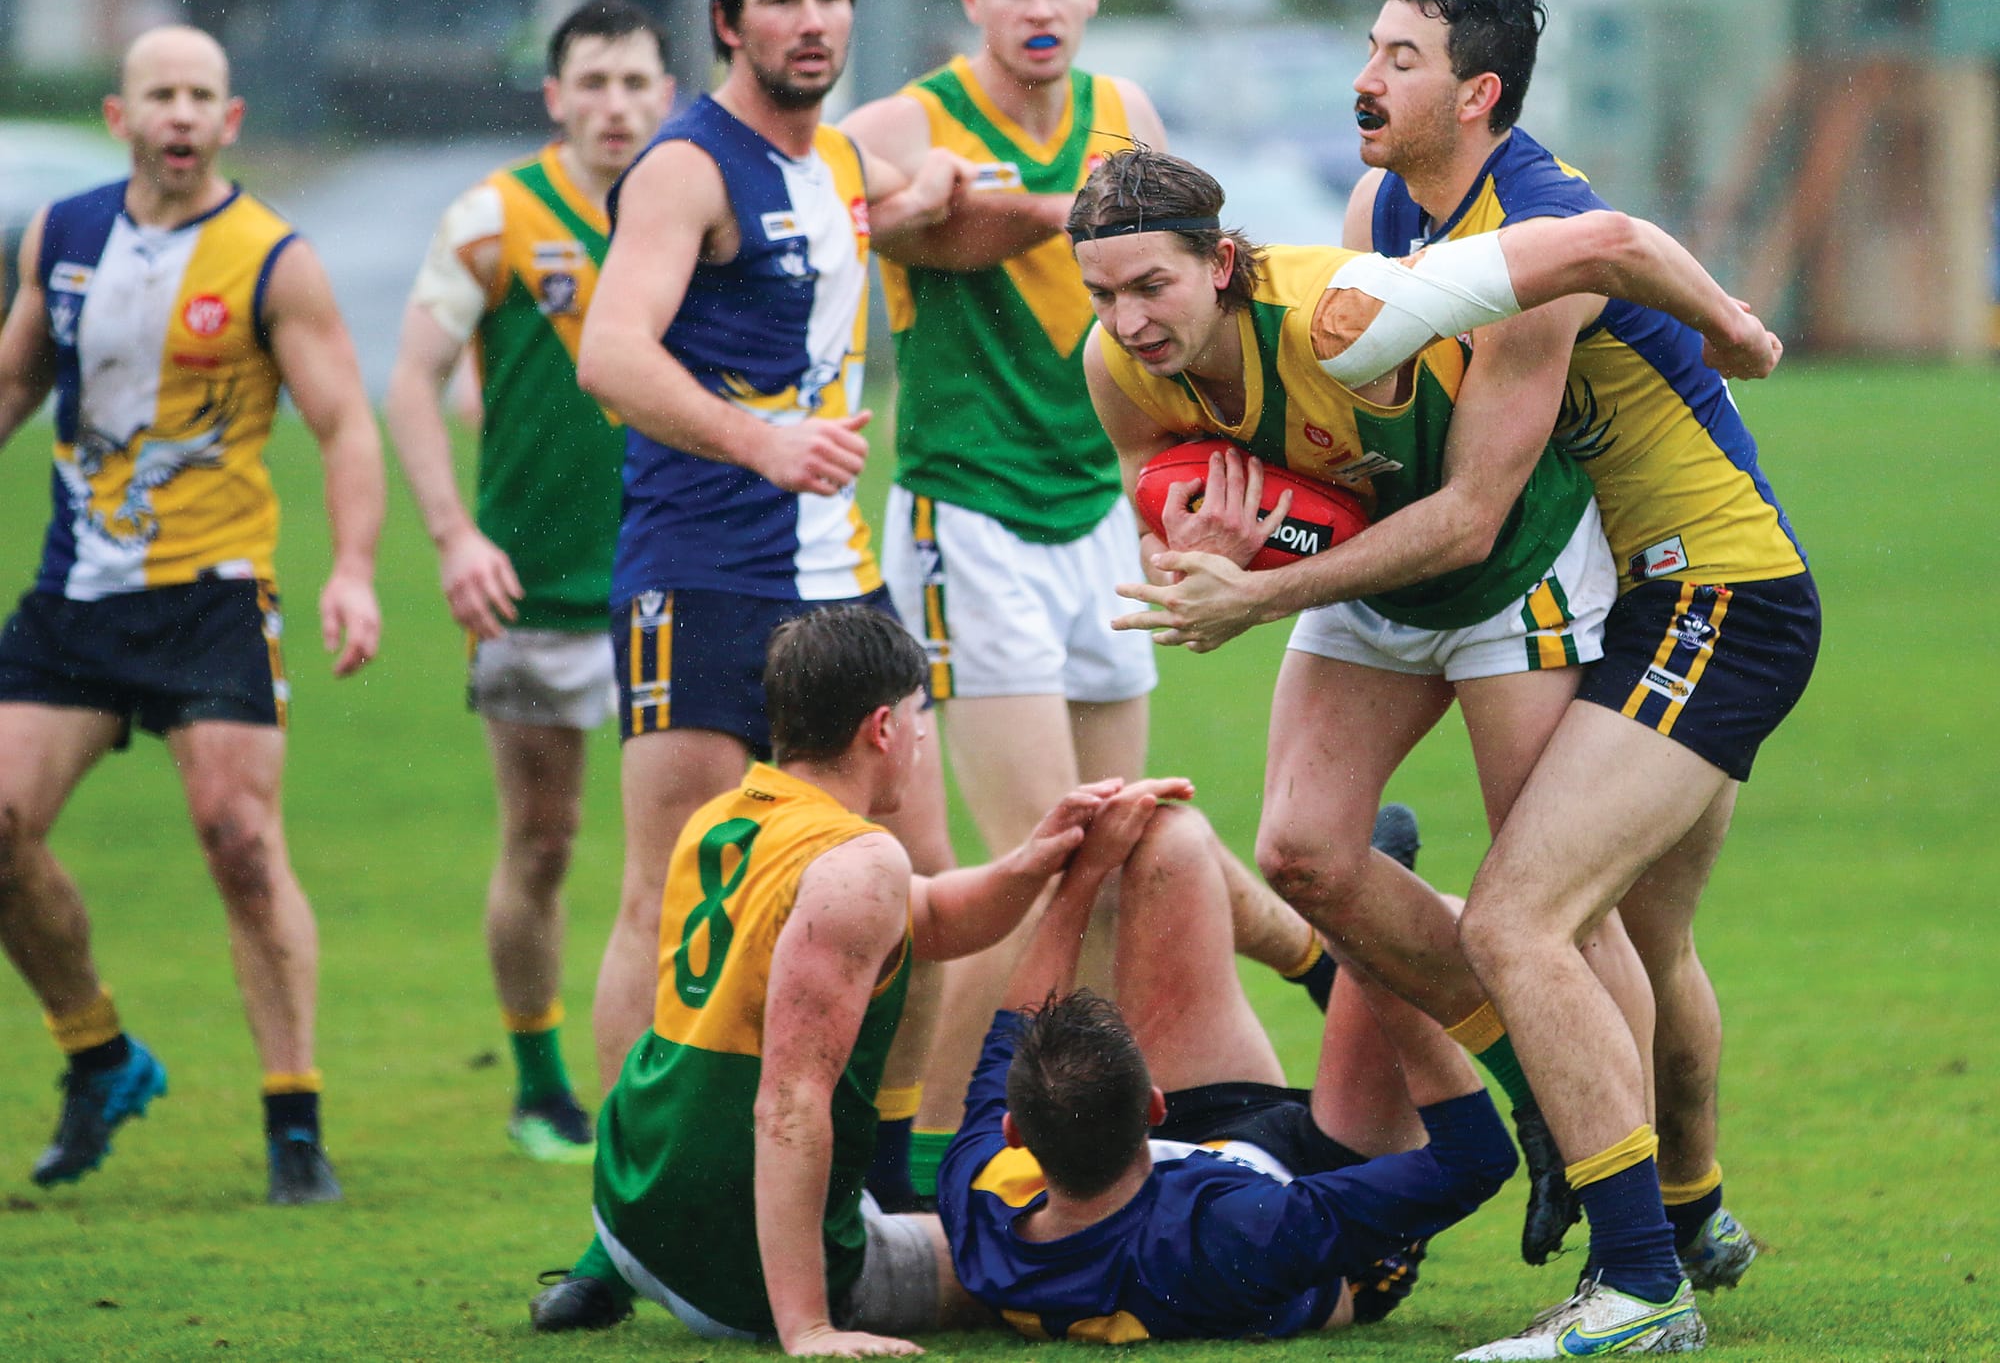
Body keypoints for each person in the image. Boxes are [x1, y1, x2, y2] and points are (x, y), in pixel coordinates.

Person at [1077, 148, 1777, 1295]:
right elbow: (1153, 483)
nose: (1129, 318)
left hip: (1509, 571)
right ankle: (1540, 1100)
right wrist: (1188, 547)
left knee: (1562, 909)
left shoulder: (1344, 315)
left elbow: (1602, 247)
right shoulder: (1116, 364)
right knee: (1301, 851)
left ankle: (1639, 1220)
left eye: (1150, 284)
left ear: (1220, 260)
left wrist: (1731, 328)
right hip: (1365, 584)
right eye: (1102, 293)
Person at [1337, 0, 1817, 1358]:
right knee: (1640, 935)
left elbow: (1476, 501)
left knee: (1516, 922)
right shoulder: (1389, 201)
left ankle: (1642, 1288)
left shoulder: (1540, 232)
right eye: (1370, 46)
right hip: (1657, 604)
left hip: (1719, 600)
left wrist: (1260, 588)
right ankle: (1697, 1206)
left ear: (1478, 92)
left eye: (1402, 58)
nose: (1366, 77)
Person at [841, 0, 1333, 1185]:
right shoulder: (907, 120)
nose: (1039, 9)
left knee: (1112, 853)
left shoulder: (1128, 120)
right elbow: (826, 200)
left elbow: (1195, 281)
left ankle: (1079, 1154)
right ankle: (917, 1175)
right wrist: (906, 206)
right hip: (969, 515)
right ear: (972, 1)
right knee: (1040, 866)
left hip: (1102, 508)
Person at [528, 603, 1182, 1355]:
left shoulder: (728, 817)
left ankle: (602, 1269)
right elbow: (789, 1101)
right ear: (880, 728)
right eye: (917, 717)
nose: (920, 736)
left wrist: (1036, 856)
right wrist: (809, 1326)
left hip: (633, 1205)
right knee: (1033, 1255)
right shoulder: (858, 861)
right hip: (738, 1262)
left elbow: (931, 917)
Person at [574, 0, 967, 1114]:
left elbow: (926, 194)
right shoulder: (686, 168)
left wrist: (1002, 188)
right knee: (676, 889)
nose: (811, 21)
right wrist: (762, 441)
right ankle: (625, 1215)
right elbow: (609, 353)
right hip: (699, 573)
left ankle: (880, 1168)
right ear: (725, 19)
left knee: (918, 876)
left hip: (841, 586)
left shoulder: (842, 159)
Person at [0, 25, 383, 1204]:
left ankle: (293, 1122)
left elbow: (343, 424)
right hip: (77, 594)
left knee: (240, 841)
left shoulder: (274, 258)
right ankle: (98, 1051)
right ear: (121, 117)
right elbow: (17, 377)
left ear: (230, 120)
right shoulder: (60, 237)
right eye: (158, 92)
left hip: (214, 592)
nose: (178, 112)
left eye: (199, 95)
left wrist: (354, 568)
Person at [383, 0, 674, 1161]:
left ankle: (670, 1074)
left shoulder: (700, 205)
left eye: (634, 81)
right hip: (536, 591)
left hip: (677, 583)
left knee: (696, 845)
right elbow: (411, 377)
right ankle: (542, 1082)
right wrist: (455, 534)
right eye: (590, 82)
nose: (614, 103)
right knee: (543, 843)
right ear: (554, 96)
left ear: (667, 91)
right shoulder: (494, 216)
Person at [939, 788, 1517, 1340]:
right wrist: (1379, 971)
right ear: (1152, 1103)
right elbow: (1474, 1161)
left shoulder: (982, 1193)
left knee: (1168, 836)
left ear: (1013, 1130)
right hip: (1321, 1182)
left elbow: (1017, 1020)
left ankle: (1323, 958)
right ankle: (1347, 952)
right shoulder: (1232, 1233)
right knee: (1427, 927)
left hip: (1205, 1155)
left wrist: (1088, 871)